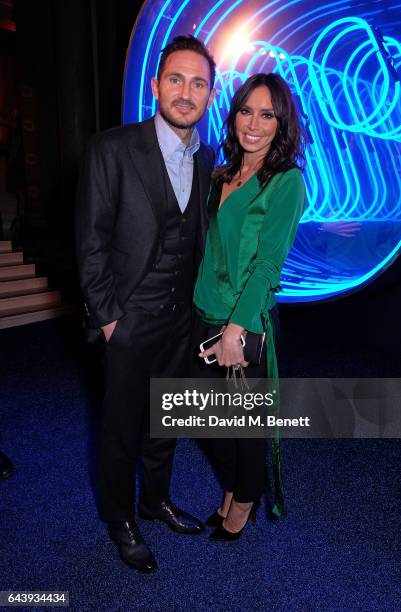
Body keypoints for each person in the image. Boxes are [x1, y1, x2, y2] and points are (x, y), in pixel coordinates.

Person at [75, 35, 216, 571]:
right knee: (118, 430)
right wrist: (110, 319)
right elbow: (89, 244)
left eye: (198, 83)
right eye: (176, 80)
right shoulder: (110, 149)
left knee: (166, 423)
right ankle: (120, 520)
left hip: (182, 324)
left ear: (209, 93)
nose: (186, 92)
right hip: (128, 322)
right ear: (155, 86)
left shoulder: (209, 160)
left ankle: (154, 501)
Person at [192, 73, 306, 540]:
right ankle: (238, 486)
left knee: (244, 428)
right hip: (200, 314)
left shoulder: (286, 181)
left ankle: (242, 501)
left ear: (282, 124)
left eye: (267, 114)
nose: (253, 124)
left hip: (243, 323)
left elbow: (266, 266)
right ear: (233, 113)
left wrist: (236, 331)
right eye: (246, 111)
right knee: (208, 421)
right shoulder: (222, 172)